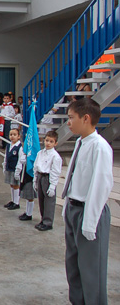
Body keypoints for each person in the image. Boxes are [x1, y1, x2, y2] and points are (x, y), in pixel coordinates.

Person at [63, 98, 113, 304]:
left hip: (89, 211)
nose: (68, 123)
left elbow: (100, 186)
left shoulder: (100, 147)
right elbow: (75, 178)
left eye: (71, 118)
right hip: (74, 208)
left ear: (86, 118)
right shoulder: (80, 142)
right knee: (73, 266)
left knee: (92, 269)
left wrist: (90, 222)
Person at [33, 130, 62, 231]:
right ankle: (43, 219)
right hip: (40, 176)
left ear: (55, 143)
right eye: (47, 140)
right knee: (41, 200)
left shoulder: (55, 156)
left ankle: (48, 222)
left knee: (49, 201)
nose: (48, 143)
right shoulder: (40, 153)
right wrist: (35, 180)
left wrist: (53, 185)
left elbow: (55, 172)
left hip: (48, 178)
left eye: (51, 141)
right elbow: (36, 166)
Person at [2, 128, 24, 211]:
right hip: (9, 168)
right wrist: (4, 166)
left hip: (15, 169)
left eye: (14, 135)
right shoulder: (8, 146)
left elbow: (20, 160)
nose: (12, 136)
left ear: (19, 136)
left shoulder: (19, 147)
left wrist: (18, 171)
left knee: (16, 185)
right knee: (11, 184)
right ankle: (13, 200)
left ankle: (16, 202)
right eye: (11, 134)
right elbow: (6, 157)